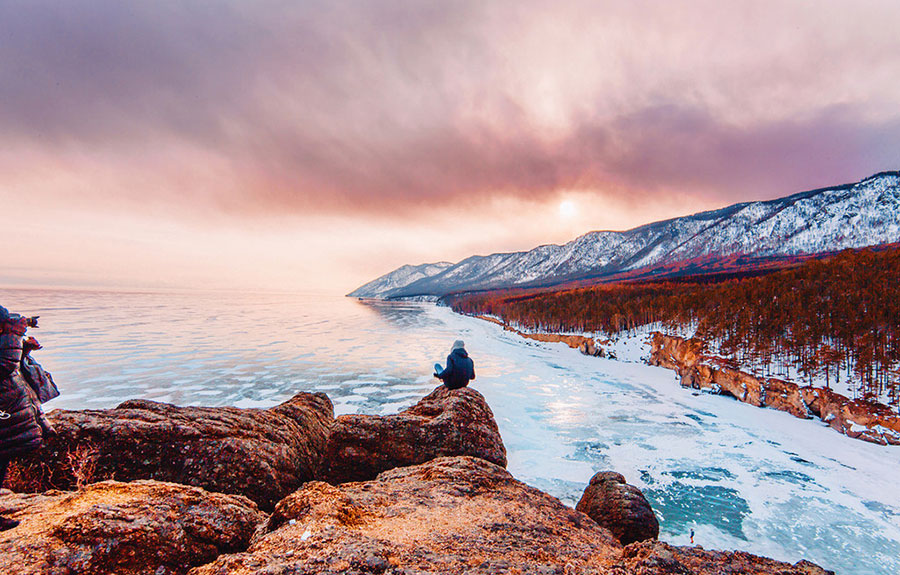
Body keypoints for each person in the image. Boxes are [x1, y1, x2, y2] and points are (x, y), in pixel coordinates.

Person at [0, 305, 47, 531]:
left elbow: (7, 366)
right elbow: (5, 366)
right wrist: (15, 339)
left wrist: (22, 348)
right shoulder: (9, 338)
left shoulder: (8, 339)